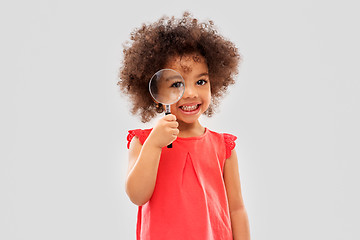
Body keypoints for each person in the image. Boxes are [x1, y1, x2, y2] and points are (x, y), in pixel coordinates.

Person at [118, 12, 250, 240]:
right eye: (176, 83)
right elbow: (137, 195)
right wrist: (154, 145)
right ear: (156, 93)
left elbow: (236, 209)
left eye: (201, 81)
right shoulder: (143, 141)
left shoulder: (223, 147)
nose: (190, 93)